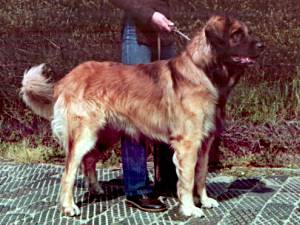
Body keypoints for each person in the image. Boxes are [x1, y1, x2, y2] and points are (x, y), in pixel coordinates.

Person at [109, 0, 177, 212]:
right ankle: (137, 188)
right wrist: (150, 15)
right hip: (137, 31)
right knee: (134, 112)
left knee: (170, 108)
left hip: (165, 29)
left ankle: (168, 179)